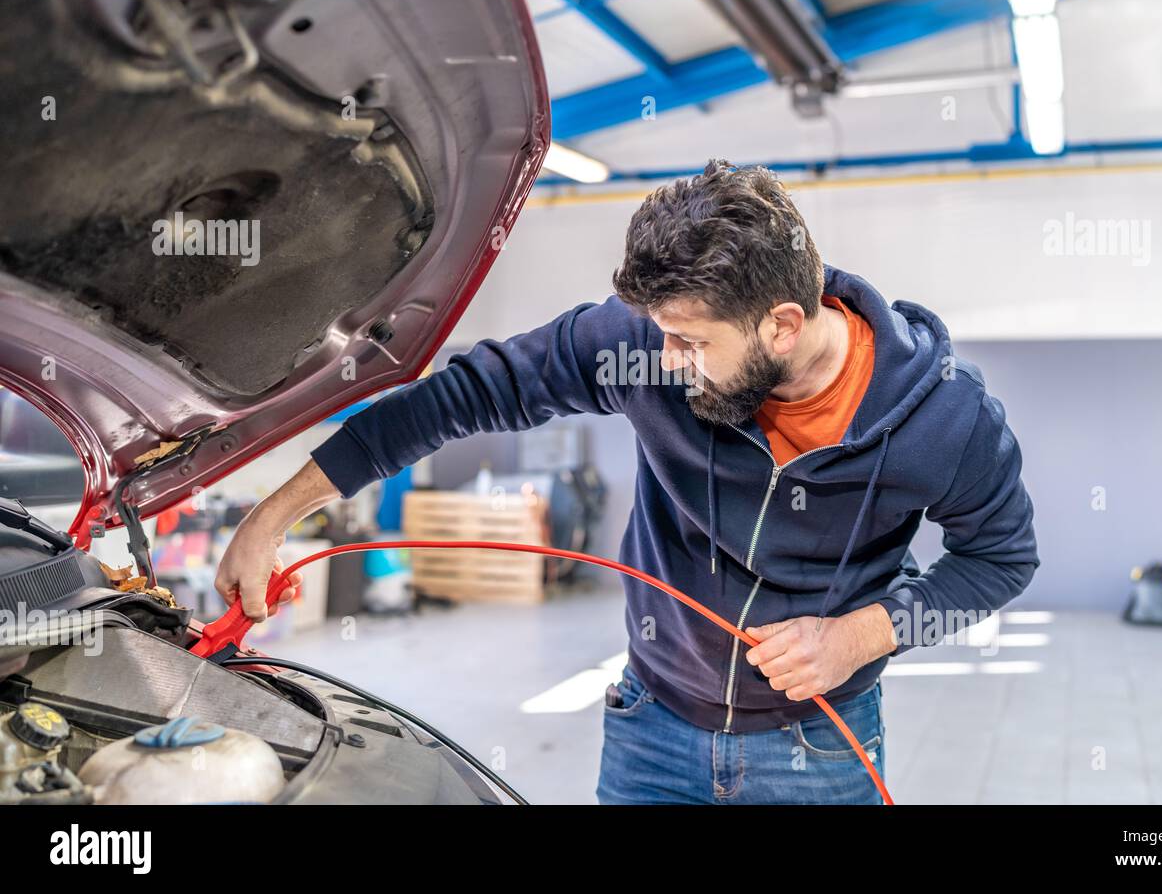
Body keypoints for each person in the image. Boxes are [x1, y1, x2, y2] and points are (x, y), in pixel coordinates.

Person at [216, 159, 1039, 804]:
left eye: (690, 342)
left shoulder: (946, 423)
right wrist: (274, 516)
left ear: (783, 326)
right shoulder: (644, 342)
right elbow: (462, 394)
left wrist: (861, 636)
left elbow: (999, 560)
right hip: (653, 727)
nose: (667, 364)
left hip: (820, 745)